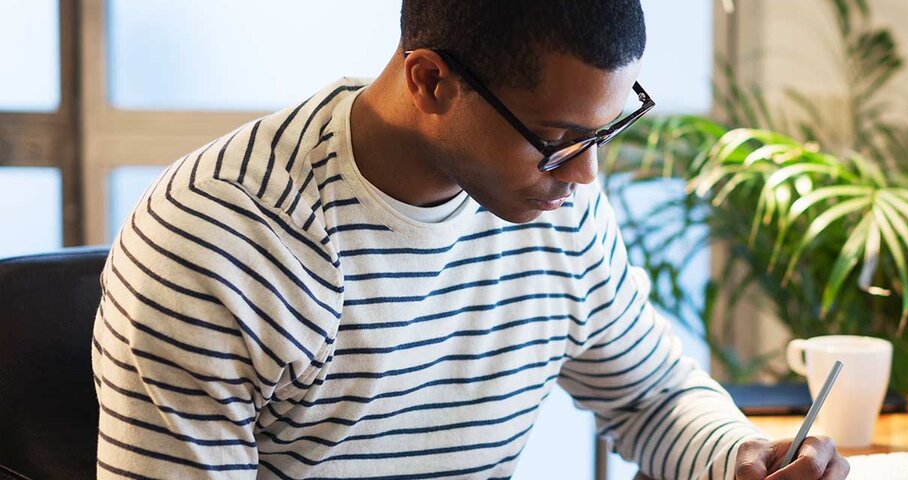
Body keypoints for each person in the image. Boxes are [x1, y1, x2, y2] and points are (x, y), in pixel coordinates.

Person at [90, 1, 849, 479]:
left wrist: (737, 457)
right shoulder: (224, 243)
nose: (586, 176)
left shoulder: (553, 205)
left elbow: (647, 396)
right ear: (429, 82)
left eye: (605, 131)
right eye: (557, 139)